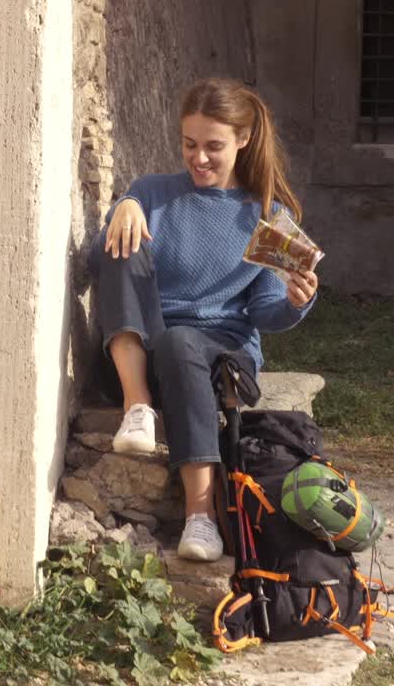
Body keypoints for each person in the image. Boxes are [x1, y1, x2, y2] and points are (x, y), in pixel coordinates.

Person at [87, 78, 319, 563]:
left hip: (221, 360)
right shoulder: (152, 192)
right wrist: (122, 206)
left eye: (214, 146)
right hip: (140, 355)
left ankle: (201, 517)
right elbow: (101, 265)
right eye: (190, 145)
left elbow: (265, 314)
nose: (200, 159)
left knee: (182, 343)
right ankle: (138, 408)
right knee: (124, 245)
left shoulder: (268, 218)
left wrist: (296, 303)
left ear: (244, 139)